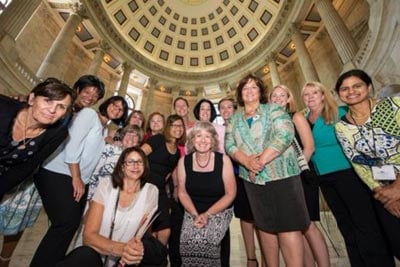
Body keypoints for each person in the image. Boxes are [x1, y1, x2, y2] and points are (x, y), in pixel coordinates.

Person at [302, 81, 395, 266]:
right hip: (324, 177)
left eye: (314, 92)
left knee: (364, 223)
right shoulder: (303, 118)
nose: (310, 97)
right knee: (345, 225)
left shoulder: (340, 112)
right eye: (306, 94)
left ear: (323, 95)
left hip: (348, 173)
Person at [31, 94, 128, 267]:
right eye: (114, 104)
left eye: (121, 109)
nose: (116, 109)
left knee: (68, 227)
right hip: (60, 172)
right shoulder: (89, 114)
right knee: (65, 223)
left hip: (79, 179)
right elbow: (72, 145)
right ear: (106, 103)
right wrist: (76, 177)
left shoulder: (104, 129)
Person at [225, 74, 310, 267]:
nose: (249, 91)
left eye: (254, 87)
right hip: (252, 180)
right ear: (240, 93)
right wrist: (246, 161)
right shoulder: (233, 119)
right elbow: (229, 144)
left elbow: (285, 134)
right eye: (245, 88)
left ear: (261, 92)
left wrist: (260, 161)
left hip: (282, 176)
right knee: (264, 227)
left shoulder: (274, 110)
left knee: (289, 227)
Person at [0, 78, 76, 266]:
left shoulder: (58, 134)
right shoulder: (4, 108)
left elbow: (26, 167)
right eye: (48, 101)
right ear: (32, 98)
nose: (52, 110)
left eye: (61, 107)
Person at [57, 147, 166, 267]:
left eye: (139, 162)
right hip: (96, 251)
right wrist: (124, 249)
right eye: (130, 162)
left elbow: (142, 233)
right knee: (84, 256)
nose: (135, 165)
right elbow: (89, 236)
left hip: (125, 259)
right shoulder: (106, 185)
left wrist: (132, 252)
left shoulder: (151, 191)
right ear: (122, 167)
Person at [334, 69, 400, 260]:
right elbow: (357, 162)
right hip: (383, 189)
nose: (351, 91)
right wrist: (382, 192)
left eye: (357, 86)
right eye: (344, 89)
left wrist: (398, 187)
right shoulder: (342, 126)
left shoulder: (393, 105)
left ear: (368, 87)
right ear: (339, 94)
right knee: (396, 242)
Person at [269, 85, 329, 267]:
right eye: (274, 96)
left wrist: (296, 170)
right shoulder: (270, 121)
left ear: (289, 99)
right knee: (296, 225)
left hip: (301, 174)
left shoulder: (296, 117)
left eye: (282, 95)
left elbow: (309, 146)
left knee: (309, 225)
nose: (278, 99)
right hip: (284, 178)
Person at [177, 121, 236, 266]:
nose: (203, 140)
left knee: (206, 241)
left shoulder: (224, 160)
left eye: (207, 136)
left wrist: (207, 214)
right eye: (198, 136)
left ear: (213, 141)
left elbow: (230, 194)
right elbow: (182, 193)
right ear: (192, 140)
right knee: (187, 242)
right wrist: (196, 215)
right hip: (193, 209)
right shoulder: (184, 161)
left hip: (220, 209)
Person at [219, 97, 263, 267]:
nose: (226, 110)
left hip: (252, 173)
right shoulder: (219, 130)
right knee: (245, 216)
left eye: (229, 107)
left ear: (235, 109)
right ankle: (251, 258)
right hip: (233, 178)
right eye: (222, 108)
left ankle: (267, 256)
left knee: (259, 216)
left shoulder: (245, 124)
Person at [141, 114, 186, 246]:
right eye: (175, 125)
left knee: (165, 230)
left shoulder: (177, 151)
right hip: (145, 185)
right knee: (144, 227)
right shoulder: (157, 139)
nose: (178, 128)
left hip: (159, 189)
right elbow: (138, 155)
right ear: (168, 127)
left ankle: (157, 258)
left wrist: (175, 188)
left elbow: (168, 173)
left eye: (181, 125)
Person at [87, 124, 144, 201]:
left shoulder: (138, 160)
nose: (131, 138)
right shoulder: (109, 149)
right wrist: (91, 196)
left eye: (135, 136)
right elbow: (95, 172)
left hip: (118, 199)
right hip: (97, 194)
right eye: (128, 134)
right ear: (122, 137)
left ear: (138, 142)